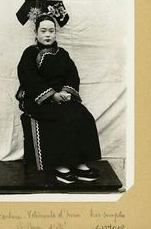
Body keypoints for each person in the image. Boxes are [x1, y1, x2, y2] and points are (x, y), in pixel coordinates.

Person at [16, 14, 101, 184]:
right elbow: (29, 78)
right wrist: (51, 95)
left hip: (61, 97)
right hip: (38, 99)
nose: (47, 35)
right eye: (43, 31)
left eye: (51, 31)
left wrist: (65, 92)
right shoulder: (30, 53)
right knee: (61, 118)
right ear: (36, 33)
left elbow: (72, 75)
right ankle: (60, 165)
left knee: (82, 115)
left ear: (55, 33)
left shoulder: (63, 54)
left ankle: (78, 162)